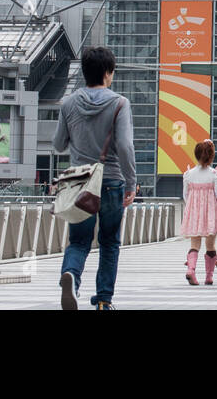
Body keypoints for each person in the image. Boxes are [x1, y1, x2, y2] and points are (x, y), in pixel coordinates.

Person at [54, 45, 137, 310]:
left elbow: (57, 144)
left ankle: (71, 276)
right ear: (108, 73)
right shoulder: (120, 103)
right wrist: (132, 182)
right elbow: (125, 146)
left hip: (78, 182)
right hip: (112, 180)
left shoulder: (68, 103)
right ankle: (103, 299)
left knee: (78, 240)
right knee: (110, 241)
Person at [179, 139, 217, 286]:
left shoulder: (188, 174)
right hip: (211, 213)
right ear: (211, 156)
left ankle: (191, 269)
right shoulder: (214, 174)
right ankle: (209, 276)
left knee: (194, 244)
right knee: (210, 245)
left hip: (194, 213)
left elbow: (185, 195)